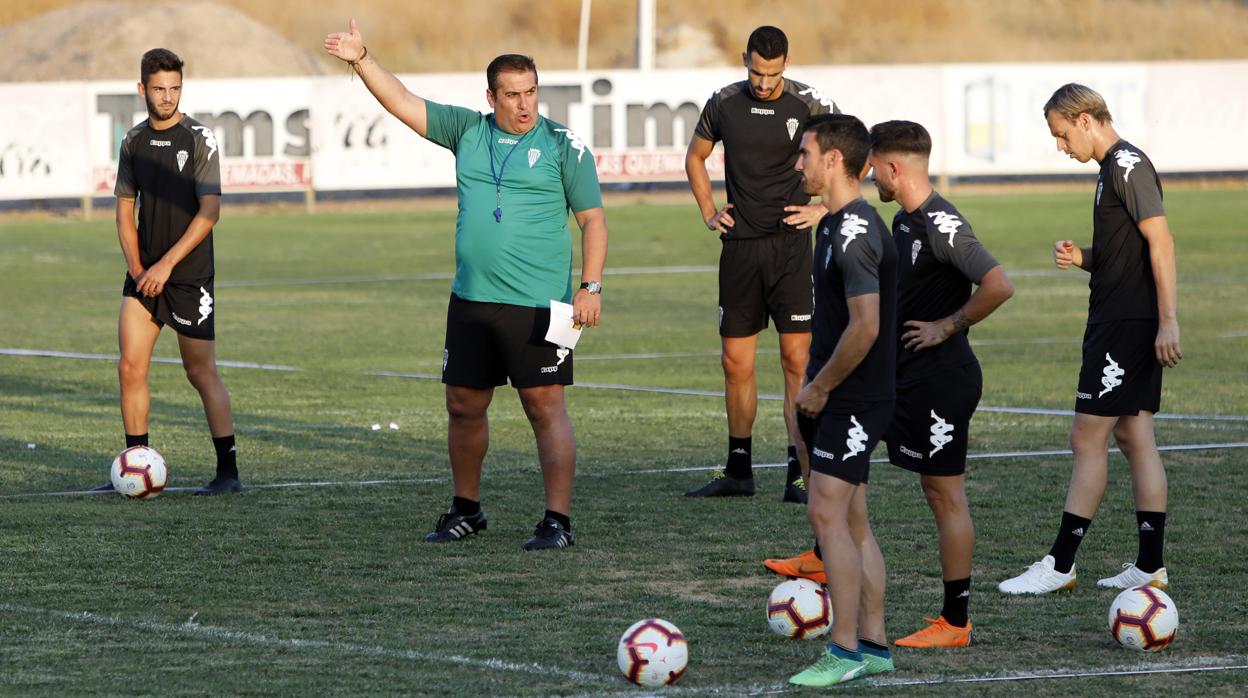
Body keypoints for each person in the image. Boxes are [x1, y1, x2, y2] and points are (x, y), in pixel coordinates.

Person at [324, 20, 608, 551]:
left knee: (545, 406)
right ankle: (467, 509)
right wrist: (362, 60)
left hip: (542, 306)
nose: (524, 105)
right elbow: (403, 101)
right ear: (491, 96)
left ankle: (557, 521)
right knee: (463, 403)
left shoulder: (563, 145)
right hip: (473, 300)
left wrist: (590, 287)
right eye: (512, 95)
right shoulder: (467, 131)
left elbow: (593, 219)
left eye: (531, 93)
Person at [999, 83, 1180, 594]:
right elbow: (1128, 253)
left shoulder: (1125, 164)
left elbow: (1161, 241)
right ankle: (1150, 565)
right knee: (1133, 436)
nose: (1061, 147)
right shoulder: (1111, 170)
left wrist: (1169, 321)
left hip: (1124, 325)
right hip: (1122, 319)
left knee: (1087, 438)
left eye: (1061, 135)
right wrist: (1084, 256)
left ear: (1085, 120)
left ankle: (1059, 565)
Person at [870, 121, 1013, 645]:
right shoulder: (903, 220)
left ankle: (956, 622)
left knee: (944, 496)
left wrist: (947, 325)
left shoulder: (941, 223)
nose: (869, 175)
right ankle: (823, 558)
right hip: (903, 378)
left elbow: (999, 284)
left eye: (873, 166)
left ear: (893, 167)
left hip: (941, 383)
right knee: (839, 458)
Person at [683, 26, 838, 502]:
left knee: (797, 360)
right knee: (735, 362)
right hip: (741, 249)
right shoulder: (723, 101)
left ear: (785, 65)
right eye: (755, 71)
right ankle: (739, 469)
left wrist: (822, 208)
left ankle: (799, 472)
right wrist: (709, 211)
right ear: (744, 59)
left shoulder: (811, 103)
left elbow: (855, 158)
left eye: (772, 74)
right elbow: (696, 155)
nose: (764, 82)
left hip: (792, 248)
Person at [99, 47, 241, 496]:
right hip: (144, 274)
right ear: (142, 89)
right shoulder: (133, 142)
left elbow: (210, 213)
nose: (168, 97)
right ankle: (134, 464)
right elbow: (124, 213)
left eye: (175, 88)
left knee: (200, 373)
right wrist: (139, 267)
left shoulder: (200, 139)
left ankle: (228, 472)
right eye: (159, 89)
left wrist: (165, 265)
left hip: (188, 274)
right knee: (129, 367)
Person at [787, 114, 897, 687]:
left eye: (805, 153)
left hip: (854, 397)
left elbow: (866, 327)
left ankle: (845, 650)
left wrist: (821, 386)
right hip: (842, 394)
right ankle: (874, 644)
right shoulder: (832, 224)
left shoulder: (854, 231)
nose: (798, 163)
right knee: (853, 522)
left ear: (833, 160)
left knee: (826, 512)